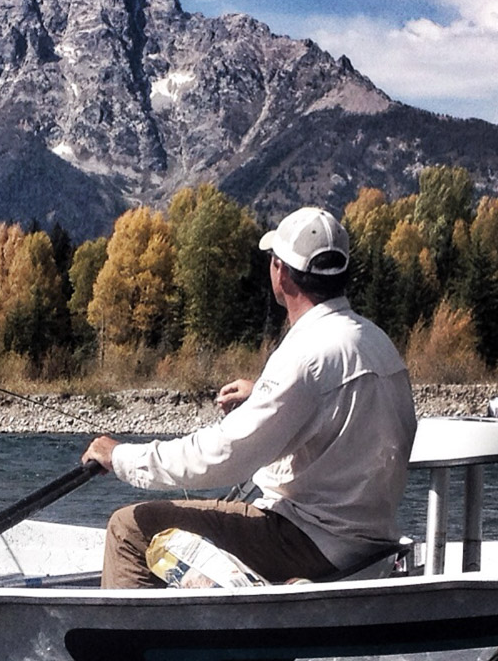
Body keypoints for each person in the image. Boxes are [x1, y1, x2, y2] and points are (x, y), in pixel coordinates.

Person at [82, 206, 417, 589]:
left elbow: (223, 457)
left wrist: (121, 456)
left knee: (129, 527)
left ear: (281, 272)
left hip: (312, 542)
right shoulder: (377, 342)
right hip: (369, 546)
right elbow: (348, 423)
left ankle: (129, 647)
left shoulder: (306, 353)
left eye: (273, 261)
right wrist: (262, 396)